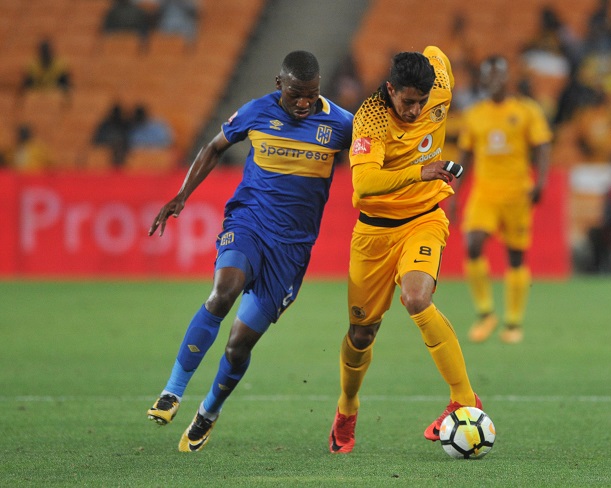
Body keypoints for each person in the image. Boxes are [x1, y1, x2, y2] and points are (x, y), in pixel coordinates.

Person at [146, 51, 353, 452]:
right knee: (223, 292)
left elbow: (373, 159)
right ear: (280, 85)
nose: (304, 103)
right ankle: (173, 390)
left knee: (238, 346)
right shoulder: (256, 112)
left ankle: (208, 411)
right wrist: (182, 195)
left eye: (311, 94)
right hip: (249, 224)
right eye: (296, 94)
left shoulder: (340, 124)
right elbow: (213, 147)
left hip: (291, 250)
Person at [328, 46, 482, 454]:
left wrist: (428, 181)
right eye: (407, 102)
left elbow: (437, 53)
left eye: (421, 102)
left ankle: (464, 399)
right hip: (375, 234)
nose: (415, 111)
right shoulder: (371, 118)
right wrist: (422, 170)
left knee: (416, 298)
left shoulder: (440, 86)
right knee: (362, 333)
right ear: (390, 89)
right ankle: (347, 408)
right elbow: (364, 186)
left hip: (425, 218)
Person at [451, 55, 552, 345]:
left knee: (516, 256)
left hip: (517, 194)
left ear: (507, 78)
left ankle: (513, 322)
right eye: (489, 75)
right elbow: (466, 157)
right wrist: (456, 194)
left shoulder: (526, 110)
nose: (494, 81)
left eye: (499, 75)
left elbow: (543, 146)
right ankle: (485, 314)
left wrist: (541, 181)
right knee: (472, 244)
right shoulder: (474, 115)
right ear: (483, 80)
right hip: (485, 193)